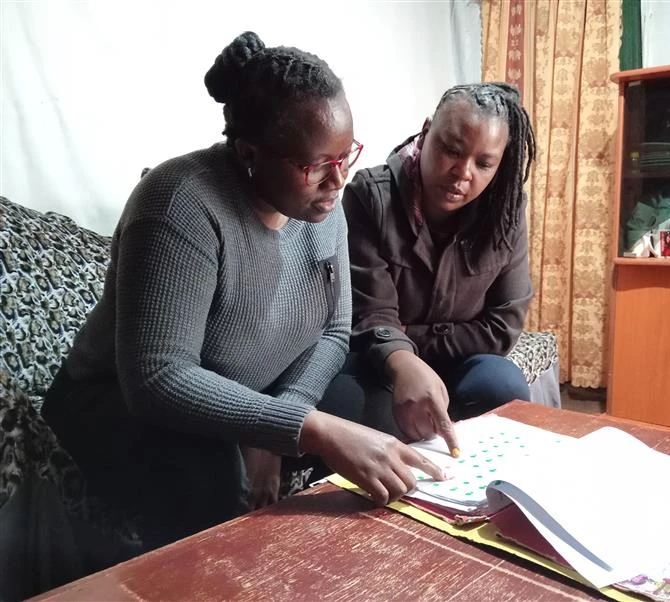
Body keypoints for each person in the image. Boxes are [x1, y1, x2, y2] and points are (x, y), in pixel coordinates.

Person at [41, 31, 444, 554]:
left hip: (254, 388)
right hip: (121, 406)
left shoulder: (322, 209)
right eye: (316, 164)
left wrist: (280, 423)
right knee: (203, 466)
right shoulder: (179, 204)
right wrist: (303, 427)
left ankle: (353, 565)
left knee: (374, 407)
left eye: (348, 155)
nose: (338, 179)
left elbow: (334, 330)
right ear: (251, 152)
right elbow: (159, 377)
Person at [339, 82, 535, 447]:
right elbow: (372, 315)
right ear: (427, 131)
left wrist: (410, 333)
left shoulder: (505, 212)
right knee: (355, 403)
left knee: (503, 384)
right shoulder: (370, 198)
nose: (463, 173)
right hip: (386, 362)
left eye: (484, 163)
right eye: (451, 150)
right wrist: (401, 357)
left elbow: (503, 324)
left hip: (463, 361)